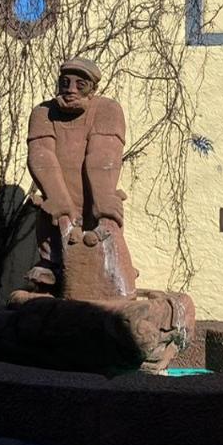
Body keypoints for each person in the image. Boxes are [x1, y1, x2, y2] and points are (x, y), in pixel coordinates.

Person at [25, 57, 137, 298]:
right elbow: (41, 154)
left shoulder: (107, 110)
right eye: (65, 82)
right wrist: (57, 197)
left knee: (104, 230)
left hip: (93, 197)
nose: (71, 89)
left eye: (80, 84)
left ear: (92, 89)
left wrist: (104, 197)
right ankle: (51, 266)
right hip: (59, 201)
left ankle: (114, 269)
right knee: (51, 221)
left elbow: (103, 154)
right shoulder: (43, 113)